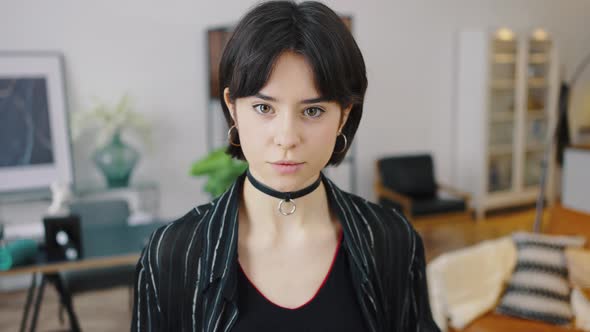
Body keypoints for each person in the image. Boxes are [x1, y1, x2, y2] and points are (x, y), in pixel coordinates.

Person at [132, 1, 440, 331]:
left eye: (313, 111)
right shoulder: (172, 254)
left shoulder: (392, 240)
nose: (287, 138)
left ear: (344, 116)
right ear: (233, 108)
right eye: (264, 107)